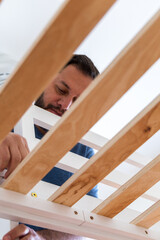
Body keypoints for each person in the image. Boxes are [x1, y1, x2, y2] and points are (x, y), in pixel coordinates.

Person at [1, 54, 99, 240]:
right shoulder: (8, 111)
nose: (65, 106)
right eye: (61, 90)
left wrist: (40, 238)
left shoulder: (83, 151)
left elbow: (83, 226)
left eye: (77, 102)